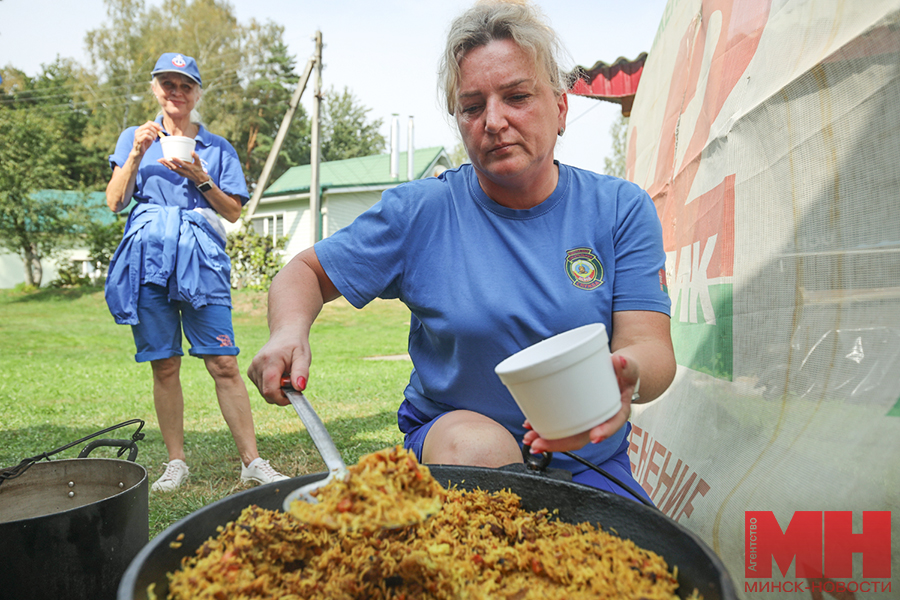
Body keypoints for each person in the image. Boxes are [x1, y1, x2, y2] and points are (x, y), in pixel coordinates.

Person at [248, 0, 675, 503]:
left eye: (517, 96)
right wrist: (288, 331)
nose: (493, 121)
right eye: (472, 107)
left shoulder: (619, 208)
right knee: (479, 449)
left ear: (561, 108)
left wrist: (619, 378)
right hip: (461, 450)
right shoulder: (421, 212)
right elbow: (305, 272)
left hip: (587, 454)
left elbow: (651, 349)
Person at [105, 52, 288, 492]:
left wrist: (201, 178)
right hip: (148, 259)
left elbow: (235, 212)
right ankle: (176, 463)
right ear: (155, 89)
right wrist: (134, 155)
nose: (176, 92)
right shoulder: (134, 137)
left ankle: (252, 461)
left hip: (201, 261)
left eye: (185, 85)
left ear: (196, 93)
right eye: (168, 83)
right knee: (165, 366)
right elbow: (115, 201)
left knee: (224, 362)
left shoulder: (217, 148)